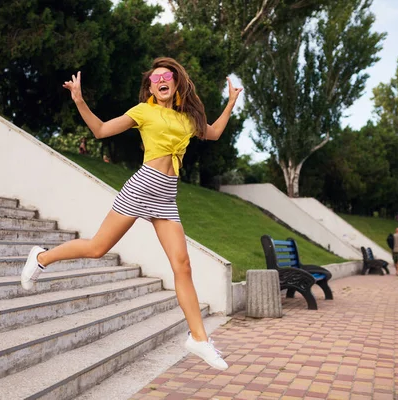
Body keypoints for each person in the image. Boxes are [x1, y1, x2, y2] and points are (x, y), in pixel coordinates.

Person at [20, 57, 242, 370]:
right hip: (143, 186)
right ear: (150, 86)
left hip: (167, 194)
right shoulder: (143, 111)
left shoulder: (188, 119)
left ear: (176, 82)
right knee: (98, 248)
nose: (162, 80)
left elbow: (214, 133)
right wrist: (80, 100)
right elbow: (100, 130)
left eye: (167, 76)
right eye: (156, 78)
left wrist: (231, 102)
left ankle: (199, 339)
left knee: (183, 265)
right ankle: (41, 258)